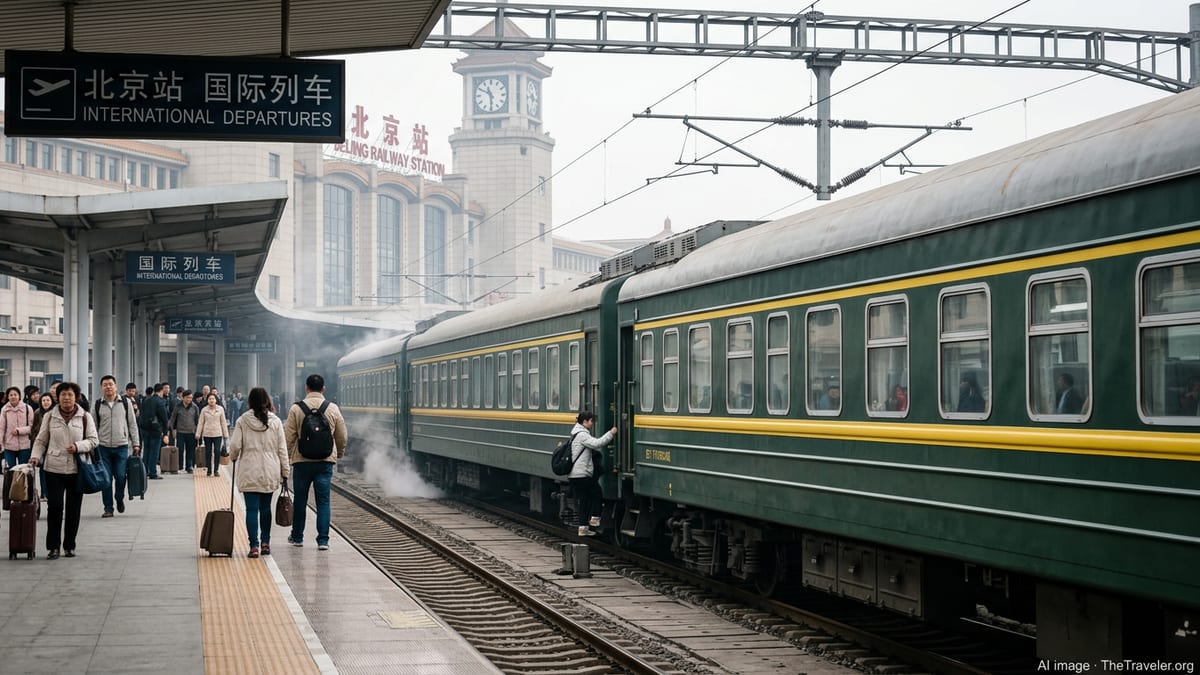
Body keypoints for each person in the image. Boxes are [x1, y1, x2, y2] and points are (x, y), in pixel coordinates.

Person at [30, 381, 97, 560]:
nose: (66, 398)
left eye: (70, 394)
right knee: (55, 507)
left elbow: (93, 440)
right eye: (63, 395)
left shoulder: (85, 417)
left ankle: (69, 546)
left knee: (73, 509)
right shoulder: (50, 416)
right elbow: (41, 440)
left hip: (77, 469)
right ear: (57, 397)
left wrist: (78, 446)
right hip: (54, 468)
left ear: (76, 397)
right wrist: (35, 456)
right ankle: (53, 547)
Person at [284, 374, 347, 550]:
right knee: (323, 501)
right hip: (325, 461)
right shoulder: (332, 408)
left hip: (302, 462)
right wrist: (339, 453)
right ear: (323, 389)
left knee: (300, 500)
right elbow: (342, 435)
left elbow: (288, 437)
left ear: (306, 388)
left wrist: (286, 459)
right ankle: (323, 540)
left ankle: (297, 537)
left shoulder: (296, 409)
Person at [229, 388, 289, 558]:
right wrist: (285, 471)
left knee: (251, 509)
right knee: (265, 509)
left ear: (250, 402)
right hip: (270, 470)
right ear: (268, 401)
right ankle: (265, 543)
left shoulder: (242, 421)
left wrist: (233, 457)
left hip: (249, 469)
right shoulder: (276, 422)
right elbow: (282, 450)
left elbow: (234, 447)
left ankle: (253, 546)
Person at [92, 375, 141, 518]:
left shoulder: (125, 403)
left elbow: (132, 424)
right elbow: (92, 427)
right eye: (105, 384)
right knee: (106, 479)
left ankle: (119, 498)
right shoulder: (97, 405)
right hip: (103, 447)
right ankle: (108, 508)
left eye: (110, 384)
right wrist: (92, 444)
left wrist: (136, 443)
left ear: (116, 386)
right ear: (101, 387)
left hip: (122, 446)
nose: (108, 387)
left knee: (120, 476)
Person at [567, 411, 616, 537]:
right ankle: (595, 518)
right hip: (582, 474)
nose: (592, 423)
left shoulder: (575, 433)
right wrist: (611, 433)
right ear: (584, 422)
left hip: (575, 475)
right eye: (590, 421)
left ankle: (583, 528)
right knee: (597, 493)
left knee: (584, 501)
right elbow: (597, 443)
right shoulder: (582, 435)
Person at [137, 383, 169, 480]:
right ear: (161, 391)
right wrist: (165, 432)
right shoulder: (160, 402)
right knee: (154, 452)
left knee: (146, 450)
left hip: (144, 430)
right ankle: (153, 472)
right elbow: (164, 418)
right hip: (155, 430)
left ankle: (144, 471)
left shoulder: (146, 401)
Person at [1, 386, 35, 469]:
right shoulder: (5, 409)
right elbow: (1, 428)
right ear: (8, 397)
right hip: (9, 446)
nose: (13, 397)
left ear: (19, 396)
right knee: (10, 471)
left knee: (24, 471)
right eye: (11, 395)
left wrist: (19, 431)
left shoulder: (28, 408)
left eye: (15, 394)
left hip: (24, 446)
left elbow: (32, 427)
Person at [196, 393, 229, 476]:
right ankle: (209, 470)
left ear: (216, 400)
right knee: (208, 452)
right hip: (207, 434)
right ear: (207, 400)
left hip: (218, 433)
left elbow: (223, 422)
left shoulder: (220, 409)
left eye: (213, 399)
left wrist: (226, 434)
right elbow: (201, 422)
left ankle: (216, 470)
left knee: (217, 451)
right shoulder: (204, 410)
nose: (211, 400)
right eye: (210, 399)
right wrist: (198, 433)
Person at [168, 390, 200, 474]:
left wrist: (198, 431)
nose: (189, 399)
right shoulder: (177, 406)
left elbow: (198, 420)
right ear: (183, 397)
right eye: (188, 397)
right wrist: (171, 430)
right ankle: (180, 465)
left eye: (191, 398)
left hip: (191, 432)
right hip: (180, 432)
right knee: (180, 449)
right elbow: (172, 419)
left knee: (190, 450)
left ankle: (189, 466)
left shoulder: (194, 407)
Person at [30, 392, 53, 498]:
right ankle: (44, 492)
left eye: (48, 400)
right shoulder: (37, 413)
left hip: (53, 444)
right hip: (41, 444)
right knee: (43, 470)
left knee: (51, 469)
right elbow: (34, 428)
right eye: (43, 400)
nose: (45, 402)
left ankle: (51, 491)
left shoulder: (55, 412)